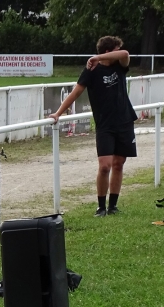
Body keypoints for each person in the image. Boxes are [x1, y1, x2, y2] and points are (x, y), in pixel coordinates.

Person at [49, 36, 137, 217]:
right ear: (108, 51)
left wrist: (97, 57)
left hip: (124, 120)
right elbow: (75, 93)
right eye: (116, 48)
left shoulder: (119, 66)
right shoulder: (91, 71)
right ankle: (101, 206)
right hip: (105, 125)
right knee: (105, 166)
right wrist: (58, 113)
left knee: (119, 163)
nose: (120, 50)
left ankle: (113, 205)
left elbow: (126, 54)